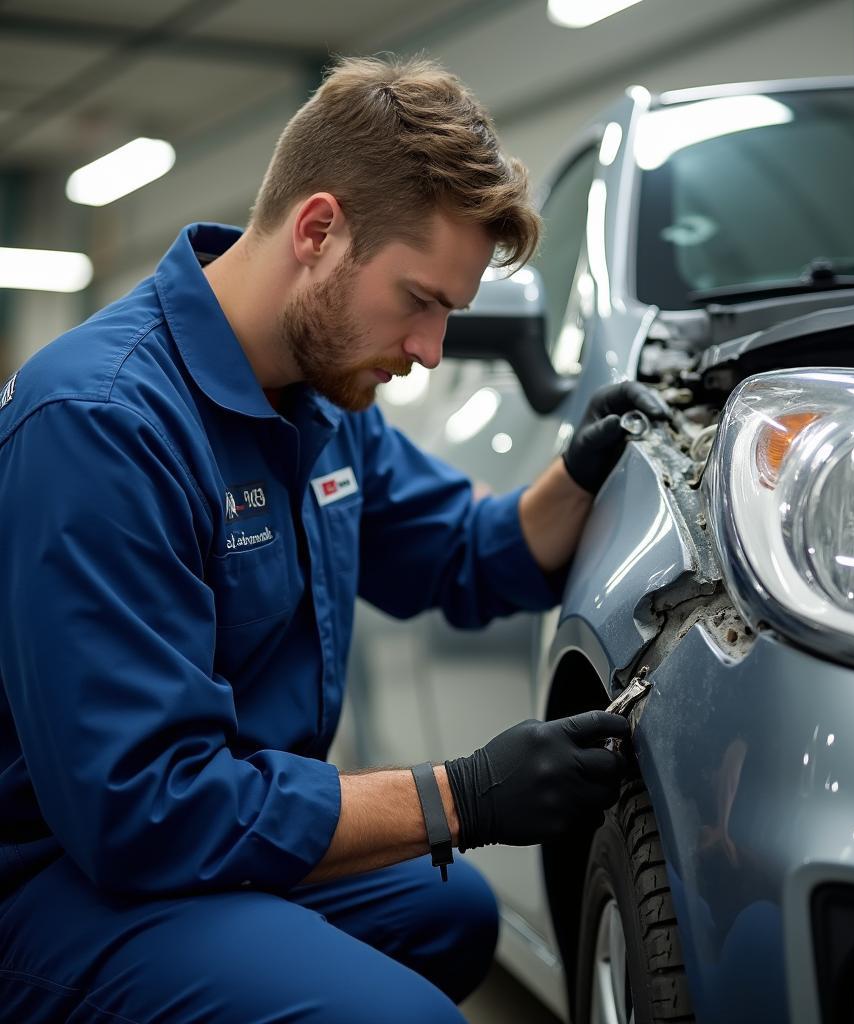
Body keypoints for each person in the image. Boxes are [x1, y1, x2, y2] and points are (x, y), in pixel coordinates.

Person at [0, 56, 669, 1023]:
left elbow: (465, 551)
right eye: (421, 301)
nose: (432, 349)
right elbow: (146, 810)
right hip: (63, 879)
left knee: (453, 915)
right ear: (318, 231)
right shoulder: (102, 425)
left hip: (198, 839)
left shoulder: (321, 395)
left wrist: (582, 469)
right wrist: (461, 797)